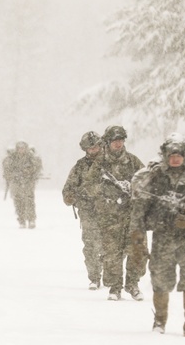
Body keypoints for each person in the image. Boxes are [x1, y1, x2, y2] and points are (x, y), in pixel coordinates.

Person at [129, 134, 185, 337]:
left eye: (179, 155)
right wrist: (137, 238)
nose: (176, 159)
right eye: (172, 155)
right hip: (163, 237)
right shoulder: (155, 177)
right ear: (165, 156)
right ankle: (159, 321)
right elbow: (140, 209)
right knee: (160, 280)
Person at [83, 125, 147, 301]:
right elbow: (89, 186)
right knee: (112, 253)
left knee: (138, 250)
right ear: (108, 143)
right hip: (109, 215)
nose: (118, 144)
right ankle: (115, 287)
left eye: (121, 140)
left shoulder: (133, 161)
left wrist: (131, 188)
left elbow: (146, 184)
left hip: (132, 214)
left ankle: (132, 284)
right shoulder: (100, 164)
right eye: (114, 141)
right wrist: (107, 191)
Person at [62, 131, 104, 290]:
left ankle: (109, 273)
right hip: (88, 211)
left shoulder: (110, 163)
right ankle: (94, 276)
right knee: (91, 245)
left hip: (110, 211)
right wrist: (70, 196)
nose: (93, 151)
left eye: (95, 147)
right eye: (90, 148)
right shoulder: (80, 166)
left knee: (111, 245)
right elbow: (68, 188)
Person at [2, 141, 43, 228]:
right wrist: (14, 175)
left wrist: (28, 172)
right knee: (18, 201)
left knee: (29, 200)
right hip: (16, 182)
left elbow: (36, 168)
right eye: (19, 148)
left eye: (23, 148)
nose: (21, 150)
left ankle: (31, 219)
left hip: (28, 181)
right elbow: (7, 170)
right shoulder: (12, 158)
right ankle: (21, 220)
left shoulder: (30, 157)